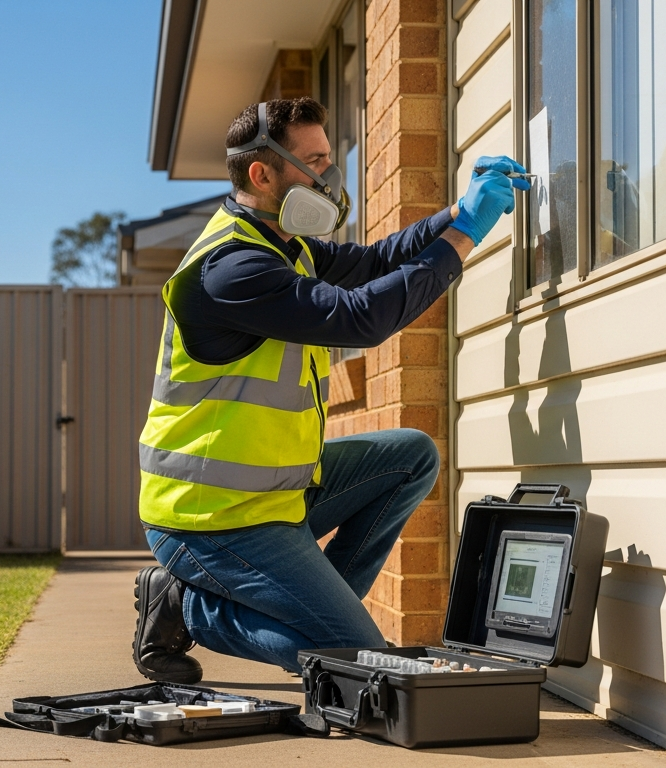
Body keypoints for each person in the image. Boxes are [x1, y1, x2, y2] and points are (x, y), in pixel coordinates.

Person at [132, 98, 527, 683]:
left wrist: (454, 212)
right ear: (263, 174)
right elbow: (360, 318)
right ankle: (186, 605)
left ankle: (322, 616)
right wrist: (466, 236)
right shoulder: (231, 269)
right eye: (316, 162)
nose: (329, 178)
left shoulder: (283, 244)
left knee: (411, 456)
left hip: (275, 495)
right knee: (358, 664)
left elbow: (372, 262)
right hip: (209, 518)